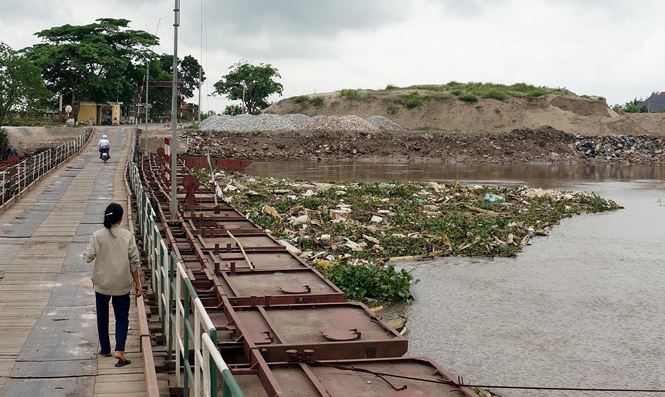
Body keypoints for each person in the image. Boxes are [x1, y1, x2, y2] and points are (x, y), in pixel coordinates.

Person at [83, 203, 142, 367]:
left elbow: (88, 257)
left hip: (102, 283)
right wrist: (137, 284)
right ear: (120, 218)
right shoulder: (127, 235)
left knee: (102, 317)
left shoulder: (97, 236)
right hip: (122, 284)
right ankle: (120, 350)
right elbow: (134, 262)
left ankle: (105, 348)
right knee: (121, 318)